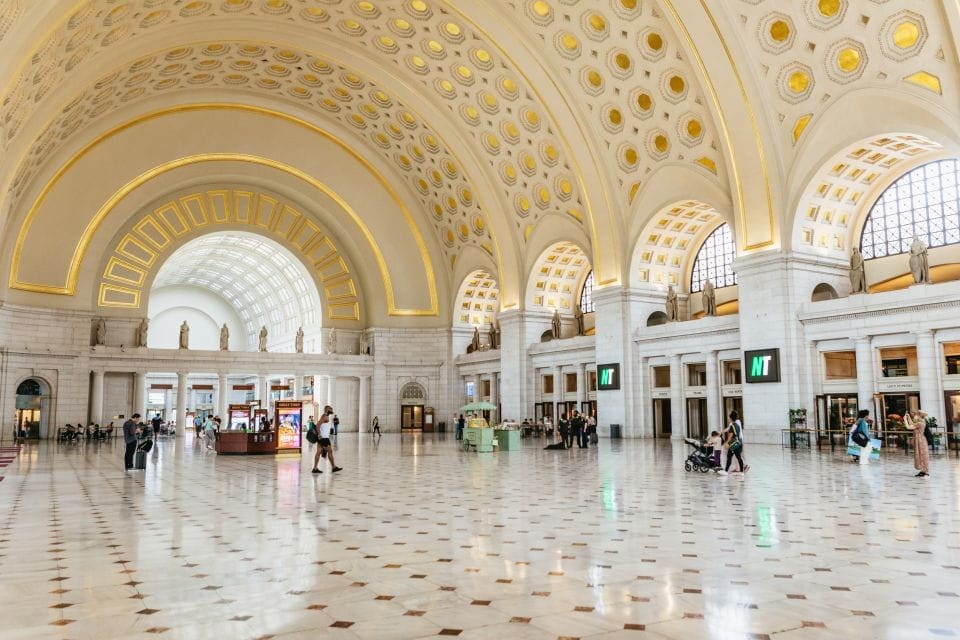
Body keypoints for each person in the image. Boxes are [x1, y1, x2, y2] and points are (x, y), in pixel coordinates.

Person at [312, 405, 342, 473]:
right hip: (324, 437)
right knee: (330, 451)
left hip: (323, 437)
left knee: (319, 452)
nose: (332, 410)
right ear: (327, 410)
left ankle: (315, 468)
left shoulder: (326, 416)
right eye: (330, 409)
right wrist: (319, 434)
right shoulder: (324, 416)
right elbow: (317, 425)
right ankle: (334, 467)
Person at [718, 411, 748, 475]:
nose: (728, 418)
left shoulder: (732, 426)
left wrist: (727, 443)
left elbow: (730, 436)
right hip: (738, 443)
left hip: (733, 444)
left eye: (729, 417)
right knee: (738, 457)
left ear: (731, 418)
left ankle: (725, 471)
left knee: (729, 457)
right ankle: (741, 472)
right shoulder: (737, 425)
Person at [906, 410, 930, 477]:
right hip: (919, 440)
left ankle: (925, 471)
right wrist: (908, 417)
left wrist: (905, 419)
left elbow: (908, 427)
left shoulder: (920, 423)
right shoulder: (920, 422)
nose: (915, 416)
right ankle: (923, 471)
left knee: (922, 455)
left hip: (921, 441)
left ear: (919, 416)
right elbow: (912, 423)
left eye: (916, 414)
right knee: (920, 455)